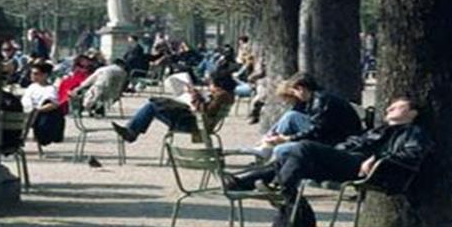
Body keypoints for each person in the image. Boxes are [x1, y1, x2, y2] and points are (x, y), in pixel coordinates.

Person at [223, 97, 433, 208]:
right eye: (390, 107)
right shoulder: (380, 128)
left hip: (369, 170)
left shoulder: (414, 132)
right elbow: (354, 142)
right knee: (292, 157)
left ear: (412, 113)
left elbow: (412, 155)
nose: (388, 109)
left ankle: (282, 190)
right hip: (347, 160)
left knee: (304, 147)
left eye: (396, 107)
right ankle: (243, 182)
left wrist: (377, 159)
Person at [251, 72, 363, 163]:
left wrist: (287, 139)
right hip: (330, 134)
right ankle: (267, 145)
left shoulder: (321, 101)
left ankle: (268, 150)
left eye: (294, 92)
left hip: (339, 139)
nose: (295, 95)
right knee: (291, 116)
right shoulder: (316, 98)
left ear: (301, 89)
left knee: (289, 124)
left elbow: (317, 131)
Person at [111, 71, 237, 144]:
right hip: (195, 121)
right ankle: (131, 131)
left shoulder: (221, 95)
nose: (210, 86)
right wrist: (198, 95)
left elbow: (206, 111)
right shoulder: (225, 95)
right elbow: (208, 109)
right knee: (159, 103)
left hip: (193, 124)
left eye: (211, 84)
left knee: (152, 106)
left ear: (218, 84)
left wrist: (194, 95)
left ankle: (131, 132)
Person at [11, 62, 65, 146]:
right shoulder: (32, 86)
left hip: (35, 115)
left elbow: (53, 105)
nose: (32, 76)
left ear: (45, 75)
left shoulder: (50, 89)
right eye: (32, 73)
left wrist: (37, 110)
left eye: (36, 74)